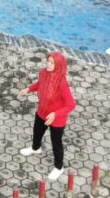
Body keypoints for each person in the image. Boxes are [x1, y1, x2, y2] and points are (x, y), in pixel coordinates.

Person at [17, 52, 76, 182]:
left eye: (52, 62)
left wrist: (55, 114)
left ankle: (58, 167)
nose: (48, 64)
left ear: (59, 65)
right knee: (37, 132)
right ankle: (35, 148)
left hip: (57, 119)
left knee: (56, 143)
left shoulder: (62, 83)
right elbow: (40, 85)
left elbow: (71, 104)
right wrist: (29, 89)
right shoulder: (43, 73)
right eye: (48, 61)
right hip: (42, 112)